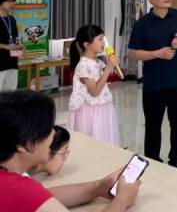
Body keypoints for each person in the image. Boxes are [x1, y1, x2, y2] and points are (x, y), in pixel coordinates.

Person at [0, 89, 139, 212]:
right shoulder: (17, 189)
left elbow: (42, 197)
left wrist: (97, 188)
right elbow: (32, 196)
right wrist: (122, 200)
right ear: (24, 144)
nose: (53, 134)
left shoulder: (10, 179)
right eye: (47, 130)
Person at [128, 0, 177, 170]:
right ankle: (153, 162)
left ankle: (176, 162)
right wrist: (156, 54)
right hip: (154, 85)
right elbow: (133, 53)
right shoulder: (142, 24)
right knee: (153, 126)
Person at [68, 25, 120, 146]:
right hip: (90, 111)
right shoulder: (83, 65)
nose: (104, 43)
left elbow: (105, 79)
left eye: (103, 39)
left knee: (105, 141)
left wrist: (112, 66)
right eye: (100, 39)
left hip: (102, 107)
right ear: (87, 44)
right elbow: (94, 92)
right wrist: (108, 68)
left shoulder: (98, 62)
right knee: (93, 143)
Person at [0, 0, 22, 91]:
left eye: (13, 1)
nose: (11, 4)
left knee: (11, 93)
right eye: (8, 1)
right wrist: (6, 46)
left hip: (12, 64)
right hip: (1, 63)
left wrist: (19, 48)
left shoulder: (12, 19)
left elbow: (15, 38)